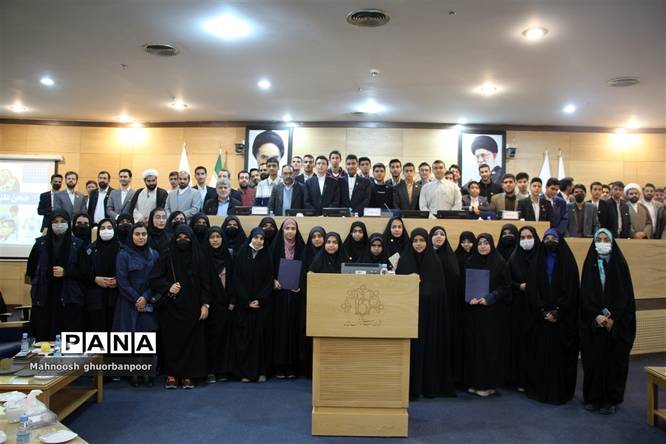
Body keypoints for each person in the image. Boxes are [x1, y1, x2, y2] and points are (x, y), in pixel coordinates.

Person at [580, 228, 636, 415]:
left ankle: (611, 399)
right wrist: (596, 315)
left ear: (612, 243)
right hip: (594, 324)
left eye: (606, 240)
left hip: (614, 326)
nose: (602, 243)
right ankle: (593, 398)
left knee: (614, 363)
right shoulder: (590, 264)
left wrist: (614, 319)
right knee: (594, 361)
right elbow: (585, 295)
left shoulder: (620, 266)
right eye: (599, 239)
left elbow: (625, 297)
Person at [150, 224, 210, 389]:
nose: (183, 240)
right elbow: (154, 278)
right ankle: (172, 375)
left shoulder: (198, 256)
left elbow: (206, 284)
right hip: (171, 308)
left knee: (192, 344)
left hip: (193, 309)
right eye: (179, 238)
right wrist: (168, 286)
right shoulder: (167, 255)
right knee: (172, 342)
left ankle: (187, 375)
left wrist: (205, 305)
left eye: (186, 238)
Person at [526, 228, 579, 404]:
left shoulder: (568, 262)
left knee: (560, 359)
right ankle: (540, 391)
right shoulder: (537, 261)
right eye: (547, 238)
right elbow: (532, 289)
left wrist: (558, 311)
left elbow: (571, 290)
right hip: (540, 318)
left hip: (562, 319)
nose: (550, 241)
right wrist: (542, 310)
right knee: (540, 357)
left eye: (553, 238)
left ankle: (559, 392)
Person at [396, 228, 452, 398]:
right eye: (415, 241)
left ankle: (427, 387)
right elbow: (397, 288)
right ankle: (409, 388)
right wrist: (410, 282)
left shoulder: (434, 261)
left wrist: (422, 289)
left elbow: (438, 290)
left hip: (429, 316)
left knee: (428, 350)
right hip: (408, 316)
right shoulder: (404, 261)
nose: (418, 244)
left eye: (422, 240)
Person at [462, 233, 511, 397]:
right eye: (480, 243)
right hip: (473, 313)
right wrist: (469, 298)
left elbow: (506, 287)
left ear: (491, 244)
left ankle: (488, 385)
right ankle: (474, 382)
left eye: (486, 243)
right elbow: (463, 285)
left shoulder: (500, 263)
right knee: (473, 348)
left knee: (488, 349)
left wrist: (489, 298)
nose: (482, 246)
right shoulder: (470, 262)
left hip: (492, 314)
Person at [26, 210, 85, 340]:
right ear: (50, 224)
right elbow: (30, 271)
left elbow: (85, 273)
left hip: (69, 297)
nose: (59, 224)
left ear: (69, 224)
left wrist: (66, 272)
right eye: (55, 221)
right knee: (44, 338)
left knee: (69, 338)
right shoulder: (40, 244)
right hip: (45, 297)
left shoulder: (78, 245)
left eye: (62, 221)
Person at [114, 222, 159, 387]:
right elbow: (122, 281)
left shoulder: (154, 254)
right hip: (128, 300)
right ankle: (134, 374)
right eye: (137, 234)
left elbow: (156, 279)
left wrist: (145, 297)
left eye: (144, 234)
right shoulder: (123, 254)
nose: (141, 237)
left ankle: (148, 374)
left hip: (148, 299)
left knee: (148, 337)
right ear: (131, 236)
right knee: (132, 338)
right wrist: (136, 298)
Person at [233, 227, 274, 383]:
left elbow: (269, 280)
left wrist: (260, 300)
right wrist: (246, 301)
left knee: (261, 340)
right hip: (244, 306)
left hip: (261, 307)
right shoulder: (241, 254)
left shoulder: (267, 256)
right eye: (256, 237)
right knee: (245, 339)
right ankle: (245, 373)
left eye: (261, 238)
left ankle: (261, 371)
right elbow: (237, 279)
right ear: (251, 238)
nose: (258, 241)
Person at [506, 226, 540, 391]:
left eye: (529, 237)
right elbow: (507, 281)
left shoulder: (541, 256)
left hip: (537, 307)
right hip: (519, 307)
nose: (526, 240)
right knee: (519, 344)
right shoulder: (514, 258)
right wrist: (519, 286)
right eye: (523, 237)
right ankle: (520, 379)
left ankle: (535, 379)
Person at [271, 219, 305, 379]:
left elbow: (306, 270)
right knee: (279, 331)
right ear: (282, 230)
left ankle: (292, 366)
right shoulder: (274, 248)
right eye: (287, 228)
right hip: (278, 297)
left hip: (295, 297)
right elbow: (267, 269)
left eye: (293, 228)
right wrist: (273, 281)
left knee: (293, 331)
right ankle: (279, 365)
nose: (290, 231)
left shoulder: (302, 248)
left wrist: (300, 285)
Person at [202, 227, 236, 383]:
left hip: (226, 305)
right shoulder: (203, 257)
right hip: (210, 305)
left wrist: (233, 300)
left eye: (218, 236)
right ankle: (211, 370)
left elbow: (235, 279)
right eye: (212, 237)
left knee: (225, 338)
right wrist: (205, 303)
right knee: (210, 339)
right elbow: (202, 282)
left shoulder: (229, 256)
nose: (215, 240)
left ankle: (223, 369)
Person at [430, 226, 462, 386]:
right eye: (435, 234)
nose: (439, 237)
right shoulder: (427, 255)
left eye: (442, 234)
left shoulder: (451, 256)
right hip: (430, 306)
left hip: (448, 306)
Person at [81, 218, 119, 333]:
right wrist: (95, 279)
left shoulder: (122, 249)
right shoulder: (90, 249)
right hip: (95, 298)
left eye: (109, 228)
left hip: (116, 298)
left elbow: (128, 272)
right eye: (102, 228)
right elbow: (82, 272)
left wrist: (119, 281)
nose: (106, 230)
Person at [300, 226, 326, 376]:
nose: (317, 239)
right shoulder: (305, 255)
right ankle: (307, 369)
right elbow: (301, 278)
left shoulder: (328, 254)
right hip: (307, 301)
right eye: (314, 237)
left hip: (325, 303)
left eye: (320, 236)